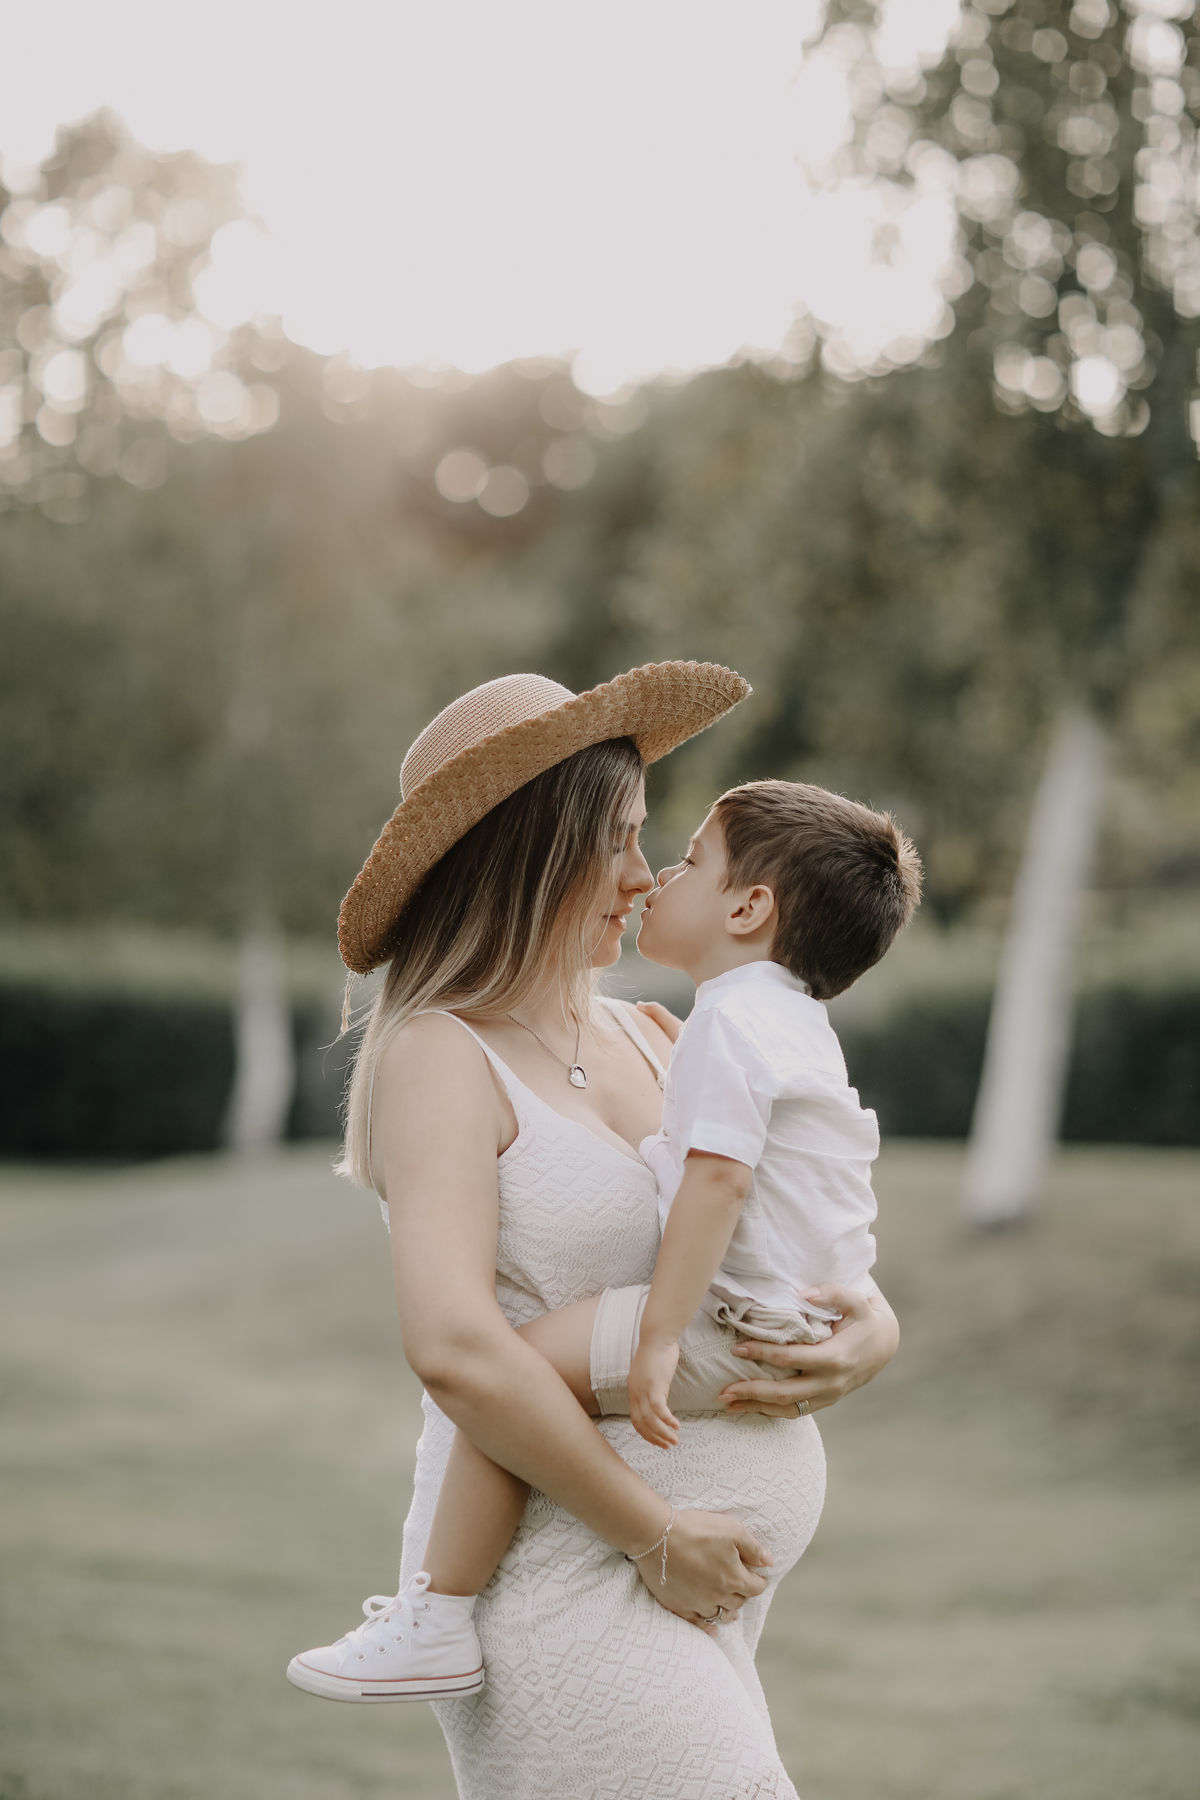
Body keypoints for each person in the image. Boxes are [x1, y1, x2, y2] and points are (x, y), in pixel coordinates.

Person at [287, 665, 901, 1799]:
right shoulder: (441, 1054)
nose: (641, 874)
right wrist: (654, 1532)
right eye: (615, 841)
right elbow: (456, 1350)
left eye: (650, 841)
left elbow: (773, 1223)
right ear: (530, 854)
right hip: (561, 1581)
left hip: (691, 1588)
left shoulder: (663, 1035)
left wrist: (873, 1329)